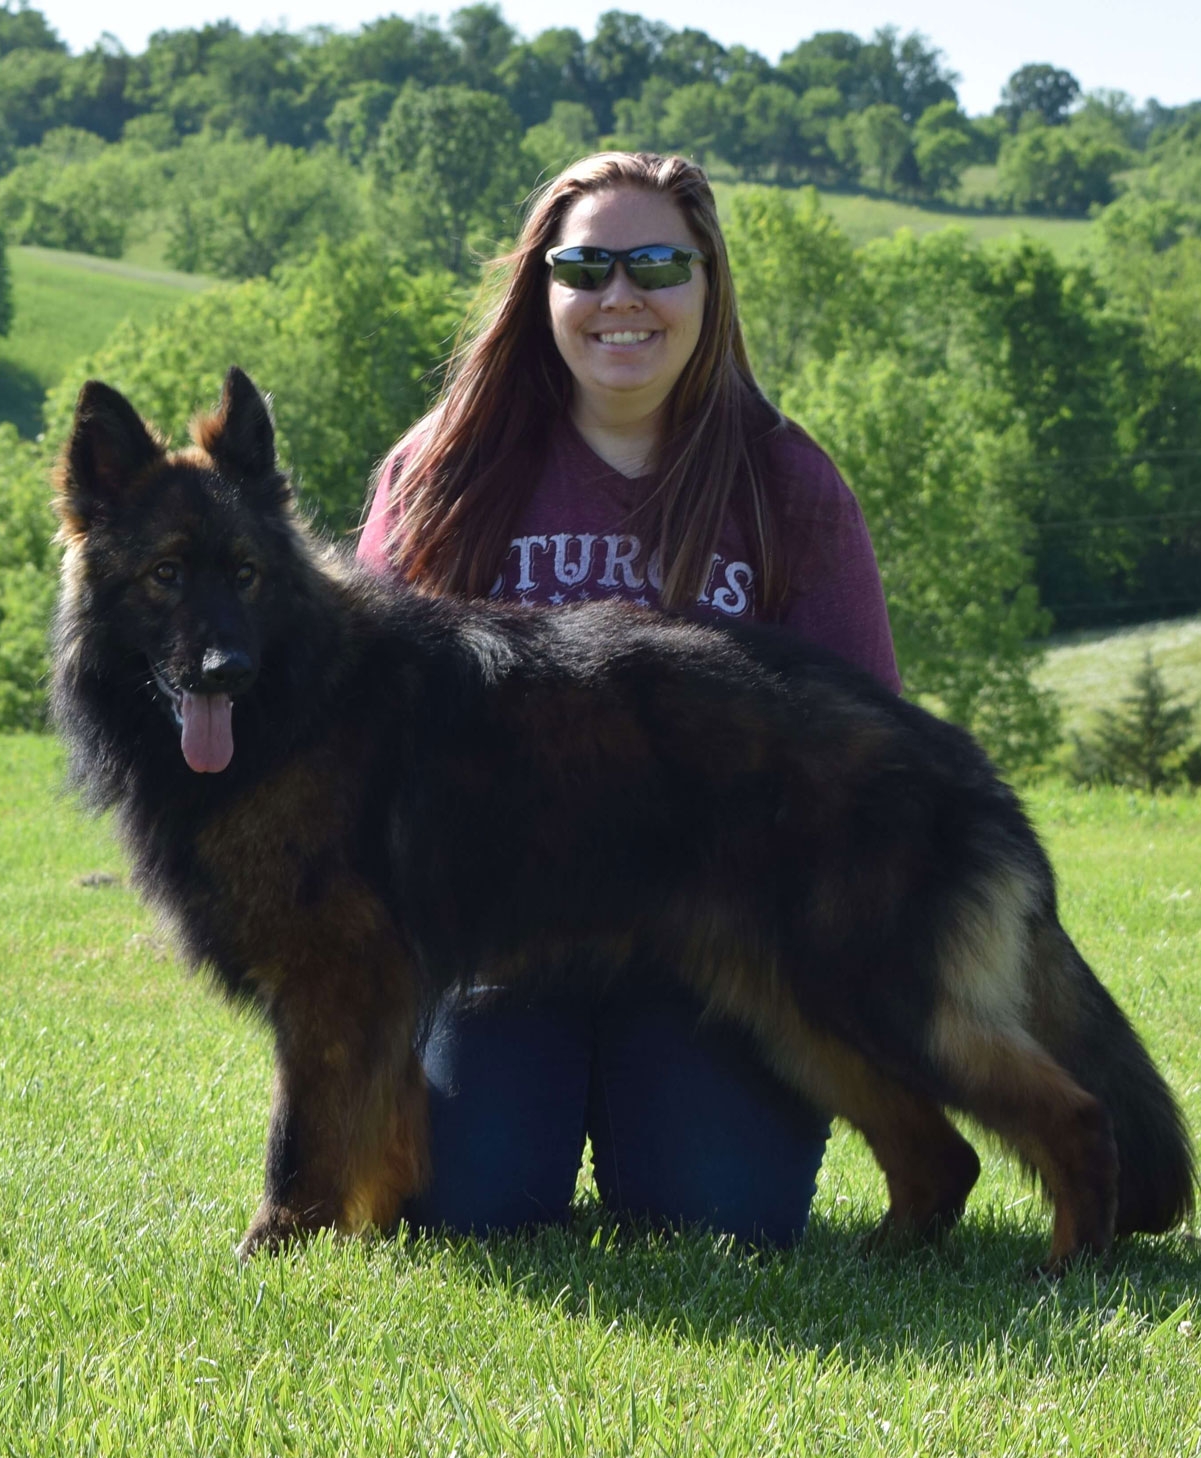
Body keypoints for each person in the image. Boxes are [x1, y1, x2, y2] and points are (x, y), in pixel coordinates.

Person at [357, 152, 901, 1246]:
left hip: (715, 956)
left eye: (657, 263)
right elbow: (362, 736)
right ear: (540, 289)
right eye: (585, 266)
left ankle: (660, 1101)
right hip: (495, 948)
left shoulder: (784, 480)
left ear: (708, 283)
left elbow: (865, 751)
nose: (622, 296)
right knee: (469, 1208)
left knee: (718, 1217)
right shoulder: (441, 472)